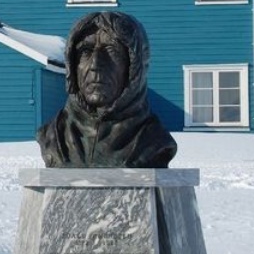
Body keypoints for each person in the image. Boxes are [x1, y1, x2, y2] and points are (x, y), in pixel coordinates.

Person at [37, 12, 177, 168]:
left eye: (112, 51)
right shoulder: (53, 136)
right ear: (72, 65)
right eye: (85, 52)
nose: (95, 65)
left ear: (135, 67)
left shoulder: (154, 142)